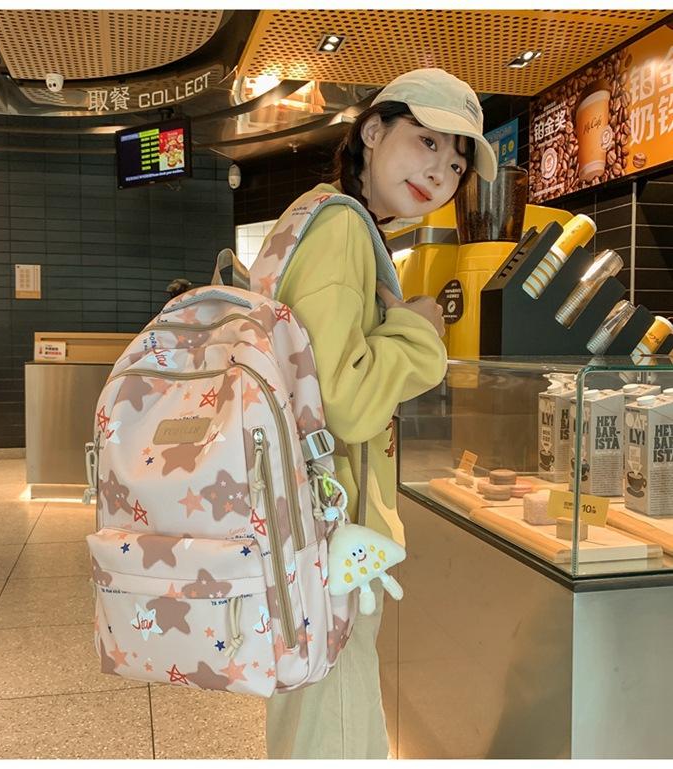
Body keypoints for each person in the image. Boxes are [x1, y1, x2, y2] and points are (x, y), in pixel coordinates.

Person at [263, 68, 498, 759]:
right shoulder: (340, 226)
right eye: (427, 141)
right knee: (334, 724)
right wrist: (420, 331)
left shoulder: (317, 220)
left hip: (305, 523)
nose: (441, 171)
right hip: (331, 527)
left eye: (457, 164)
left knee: (320, 713)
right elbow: (346, 402)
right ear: (372, 131)